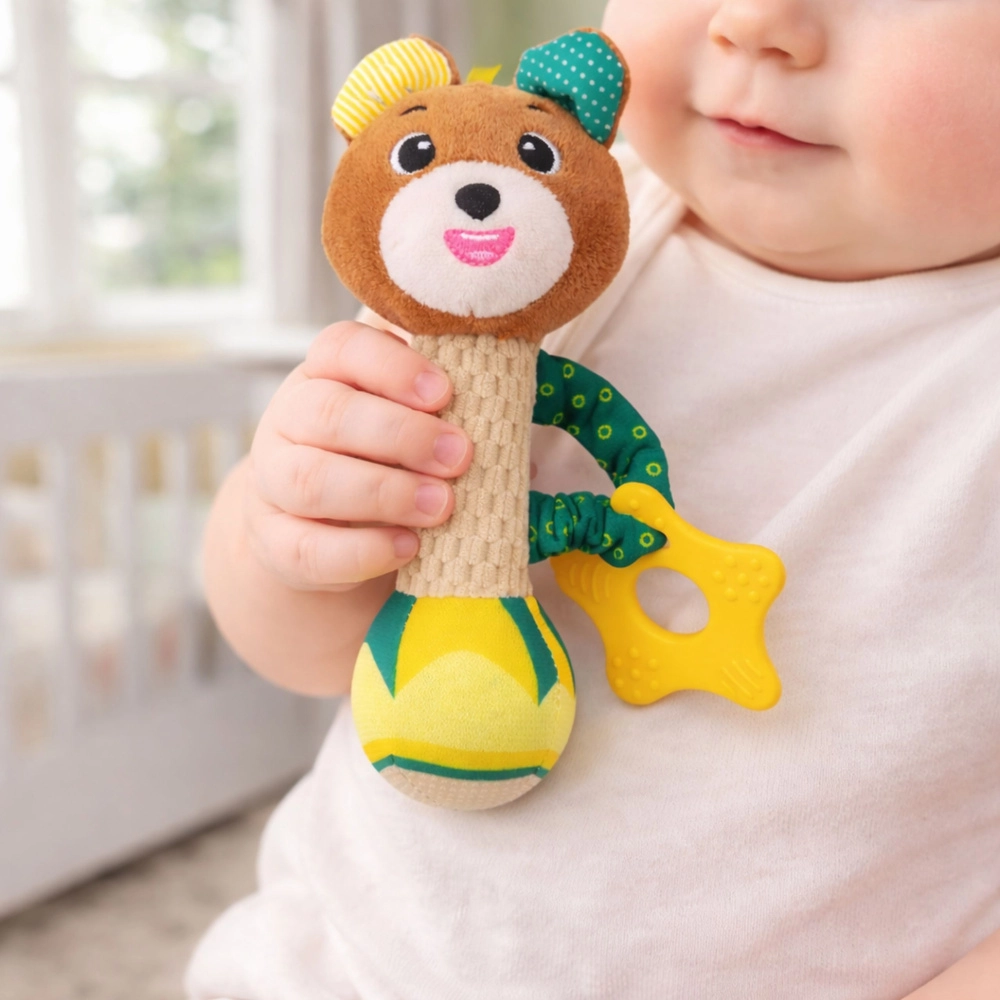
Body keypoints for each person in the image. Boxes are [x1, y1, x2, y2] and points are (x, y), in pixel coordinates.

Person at [185, 1, 1000, 997]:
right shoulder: (529, 229)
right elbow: (306, 653)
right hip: (348, 963)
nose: (755, 20)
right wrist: (292, 525)